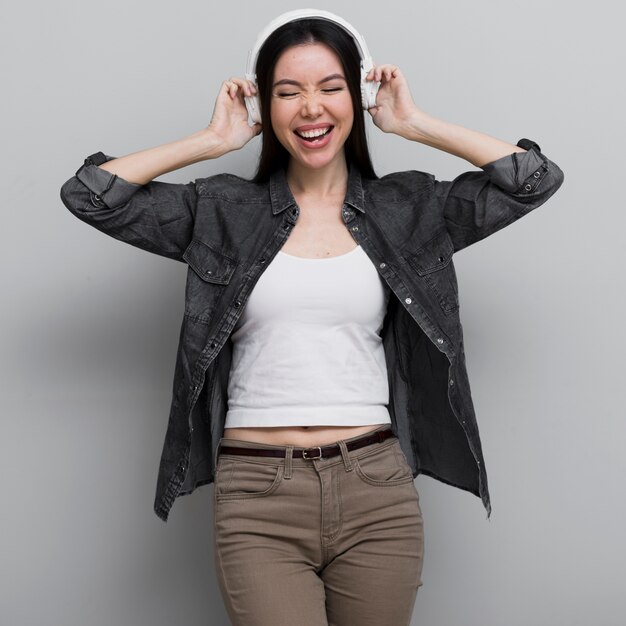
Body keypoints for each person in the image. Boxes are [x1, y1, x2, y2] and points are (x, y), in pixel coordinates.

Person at [60, 9, 564, 625]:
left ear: (359, 96)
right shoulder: (221, 209)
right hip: (257, 494)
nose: (310, 108)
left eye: (331, 88)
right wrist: (213, 141)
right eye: (287, 91)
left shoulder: (406, 208)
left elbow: (533, 181)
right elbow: (89, 195)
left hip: (376, 487)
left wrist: (414, 125)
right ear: (264, 106)